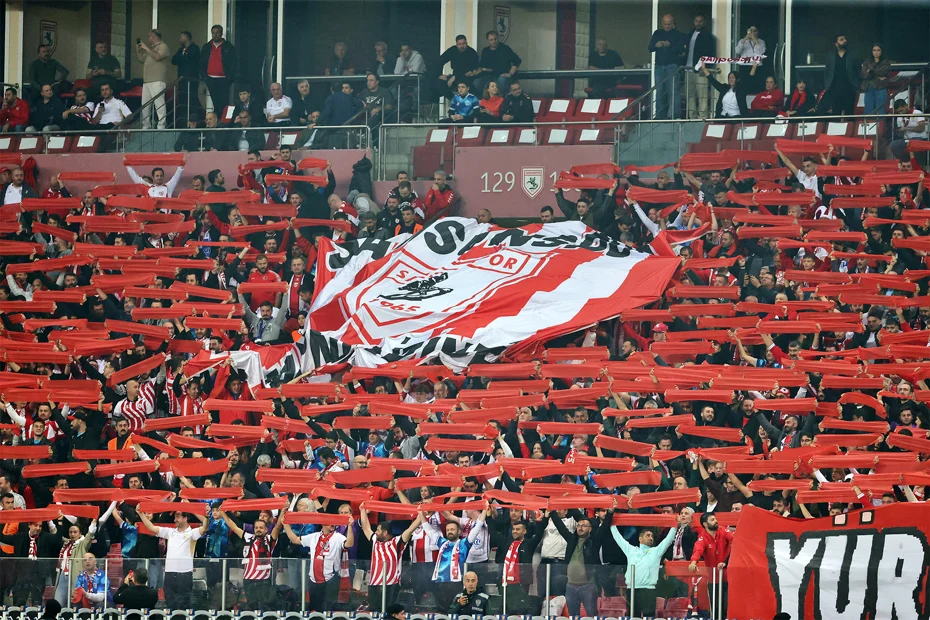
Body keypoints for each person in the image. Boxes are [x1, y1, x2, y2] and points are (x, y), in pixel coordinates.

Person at [138, 509, 209, 610]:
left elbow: (205, 526)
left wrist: (192, 508)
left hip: (184, 575)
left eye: (178, 517)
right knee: (170, 606)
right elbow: (151, 527)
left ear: (185, 518)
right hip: (169, 575)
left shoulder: (192, 533)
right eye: (175, 517)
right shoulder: (170, 532)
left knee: (183, 606)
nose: (175, 519)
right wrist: (141, 513)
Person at [283, 513, 355, 611]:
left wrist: (350, 527)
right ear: (323, 523)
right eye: (330, 523)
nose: (333, 525)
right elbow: (295, 540)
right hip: (313, 579)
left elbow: (349, 544)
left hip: (330, 579)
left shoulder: (338, 537)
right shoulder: (314, 536)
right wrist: (285, 525)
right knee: (314, 609)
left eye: (334, 523)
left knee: (328, 609)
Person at [219, 507, 285, 611]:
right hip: (248, 579)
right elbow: (232, 525)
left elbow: (278, 526)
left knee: (264, 607)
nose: (258, 529)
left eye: (261, 528)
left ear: (266, 529)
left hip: (263, 580)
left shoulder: (269, 539)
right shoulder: (247, 537)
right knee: (251, 606)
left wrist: (284, 510)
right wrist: (222, 512)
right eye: (256, 527)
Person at [611, 524, 681, 617]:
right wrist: (611, 524)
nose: (651, 538)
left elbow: (668, 541)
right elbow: (618, 538)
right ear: (640, 539)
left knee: (649, 617)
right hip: (632, 590)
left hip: (649, 590)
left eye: (652, 536)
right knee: (633, 617)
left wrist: (674, 526)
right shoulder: (631, 550)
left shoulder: (656, 551)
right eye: (647, 535)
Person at [360, 506, 422, 611]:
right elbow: (365, 527)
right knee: (374, 611)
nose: (375, 532)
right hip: (374, 584)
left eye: (378, 530)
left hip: (391, 584)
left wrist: (421, 515)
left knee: (390, 611)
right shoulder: (375, 540)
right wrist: (362, 510)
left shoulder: (397, 542)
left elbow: (410, 529)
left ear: (385, 533)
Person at [432, 510, 487, 611]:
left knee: (456, 609)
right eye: (448, 530)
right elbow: (428, 529)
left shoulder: (464, 544)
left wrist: (485, 510)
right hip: (440, 582)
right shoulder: (442, 542)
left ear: (459, 531)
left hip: (457, 583)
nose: (449, 531)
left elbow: (477, 526)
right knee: (442, 613)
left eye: (452, 529)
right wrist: (421, 513)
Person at [649, 15, 687, 120]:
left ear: (673, 23)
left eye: (669, 24)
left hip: (672, 65)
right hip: (659, 66)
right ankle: (659, 115)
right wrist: (657, 45)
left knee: (673, 90)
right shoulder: (657, 33)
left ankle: (673, 115)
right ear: (662, 23)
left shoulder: (678, 35)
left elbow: (681, 51)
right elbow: (650, 48)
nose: (667, 26)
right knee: (659, 91)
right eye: (665, 24)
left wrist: (669, 45)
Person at [136, 29, 171, 129]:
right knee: (145, 105)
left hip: (157, 80)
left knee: (159, 104)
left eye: (149, 36)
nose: (147, 38)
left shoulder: (163, 46)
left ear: (154, 37)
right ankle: (146, 125)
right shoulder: (151, 48)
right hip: (147, 81)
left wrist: (146, 48)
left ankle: (161, 125)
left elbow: (158, 57)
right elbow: (141, 59)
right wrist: (138, 50)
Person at [684, 15, 716, 120]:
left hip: (700, 69)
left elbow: (711, 53)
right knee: (690, 94)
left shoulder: (707, 36)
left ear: (704, 22)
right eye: (696, 21)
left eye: (700, 21)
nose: (698, 23)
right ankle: (692, 116)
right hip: (688, 69)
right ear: (694, 22)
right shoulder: (689, 34)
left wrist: (706, 67)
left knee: (702, 94)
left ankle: (702, 116)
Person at [201, 25, 237, 114]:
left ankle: (223, 122)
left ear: (221, 33)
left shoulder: (229, 47)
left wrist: (229, 78)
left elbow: (234, 64)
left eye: (217, 32)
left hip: (224, 79)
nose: (215, 35)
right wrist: (204, 77)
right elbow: (201, 63)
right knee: (215, 102)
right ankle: (217, 121)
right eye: (213, 33)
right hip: (210, 79)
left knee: (224, 103)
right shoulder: (206, 47)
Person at [475, 30, 521, 94]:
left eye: (495, 39)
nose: (493, 41)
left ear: (498, 38)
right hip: (489, 76)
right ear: (488, 41)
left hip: (502, 75)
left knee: (502, 80)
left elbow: (517, 60)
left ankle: (501, 99)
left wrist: (510, 73)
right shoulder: (485, 51)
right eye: (491, 40)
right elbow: (481, 66)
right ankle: (486, 99)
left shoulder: (505, 49)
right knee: (477, 82)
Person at [823, 34, 858, 116]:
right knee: (836, 113)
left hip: (849, 88)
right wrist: (827, 85)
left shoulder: (852, 55)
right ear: (836, 43)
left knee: (850, 113)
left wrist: (856, 85)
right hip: (835, 89)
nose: (844, 41)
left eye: (845, 39)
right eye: (841, 39)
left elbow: (857, 70)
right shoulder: (830, 56)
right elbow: (827, 72)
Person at [437, 35, 480, 99]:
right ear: (456, 44)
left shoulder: (472, 53)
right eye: (459, 44)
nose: (462, 46)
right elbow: (440, 60)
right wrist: (439, 74)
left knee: (464, 83)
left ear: (467, 43)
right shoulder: (453, 50)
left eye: (463, 43)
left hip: (467, 77)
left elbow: (470, 70)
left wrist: (455, 76)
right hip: (454, 76)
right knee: (439, 82)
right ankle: (454, 100)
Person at [172, 31, 202, 123]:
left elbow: (189, 58)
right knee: (182, 100)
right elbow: (173, 60)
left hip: (192, 79)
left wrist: (183, 56)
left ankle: (195, 120)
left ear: (186, 38)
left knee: (192, 99)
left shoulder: (194, 48)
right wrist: (183, 55)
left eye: (181, 37)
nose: (179, 39)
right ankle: (183, 121)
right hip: (182, 80)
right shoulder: (181, 49)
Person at [861, 43, 892, 115]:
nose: (876, 52)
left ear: (881, 51)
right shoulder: (867, 61)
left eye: (878, 50)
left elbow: (883, 72)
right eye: (874, 50)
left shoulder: (885, 62)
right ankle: (869, 125)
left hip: (880, 87)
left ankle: (881, 125)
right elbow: (863, 74)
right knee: (868, 110)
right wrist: (876, 74)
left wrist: (870, 71)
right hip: (868, 87)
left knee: (880, 109)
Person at [734, 26, 766, 93]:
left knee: (756, 85)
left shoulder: (761, 42)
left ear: (757, 32)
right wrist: (745, 38)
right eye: (750, 30)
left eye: (754, 31)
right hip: (744, 66)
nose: (752, 33)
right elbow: (737, 51)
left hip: (757, 66)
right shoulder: (742, 41)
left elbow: (761, 52)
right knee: (744, 85)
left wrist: (754, 39)